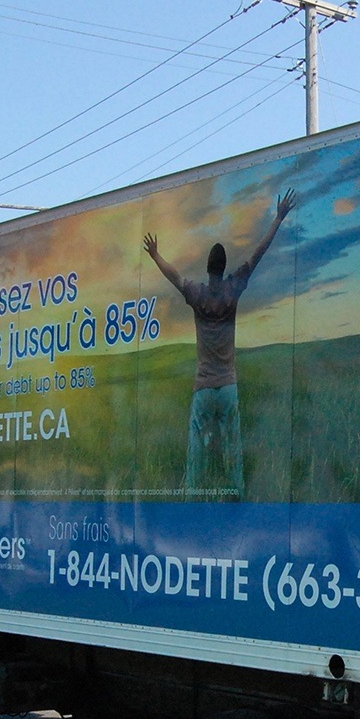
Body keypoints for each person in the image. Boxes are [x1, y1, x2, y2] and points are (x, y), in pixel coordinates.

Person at [144, 189, 296, 499]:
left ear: (208, 268)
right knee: (232, 442)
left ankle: (191, 493)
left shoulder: (197, 295)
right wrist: (277, 219)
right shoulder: (233, 290)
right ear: (224, 268)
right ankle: (237, 491)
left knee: (196, 444)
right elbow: (257, 254)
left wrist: (155, 254)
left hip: (203, 386)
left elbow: (174, 276)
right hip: (228, 384)